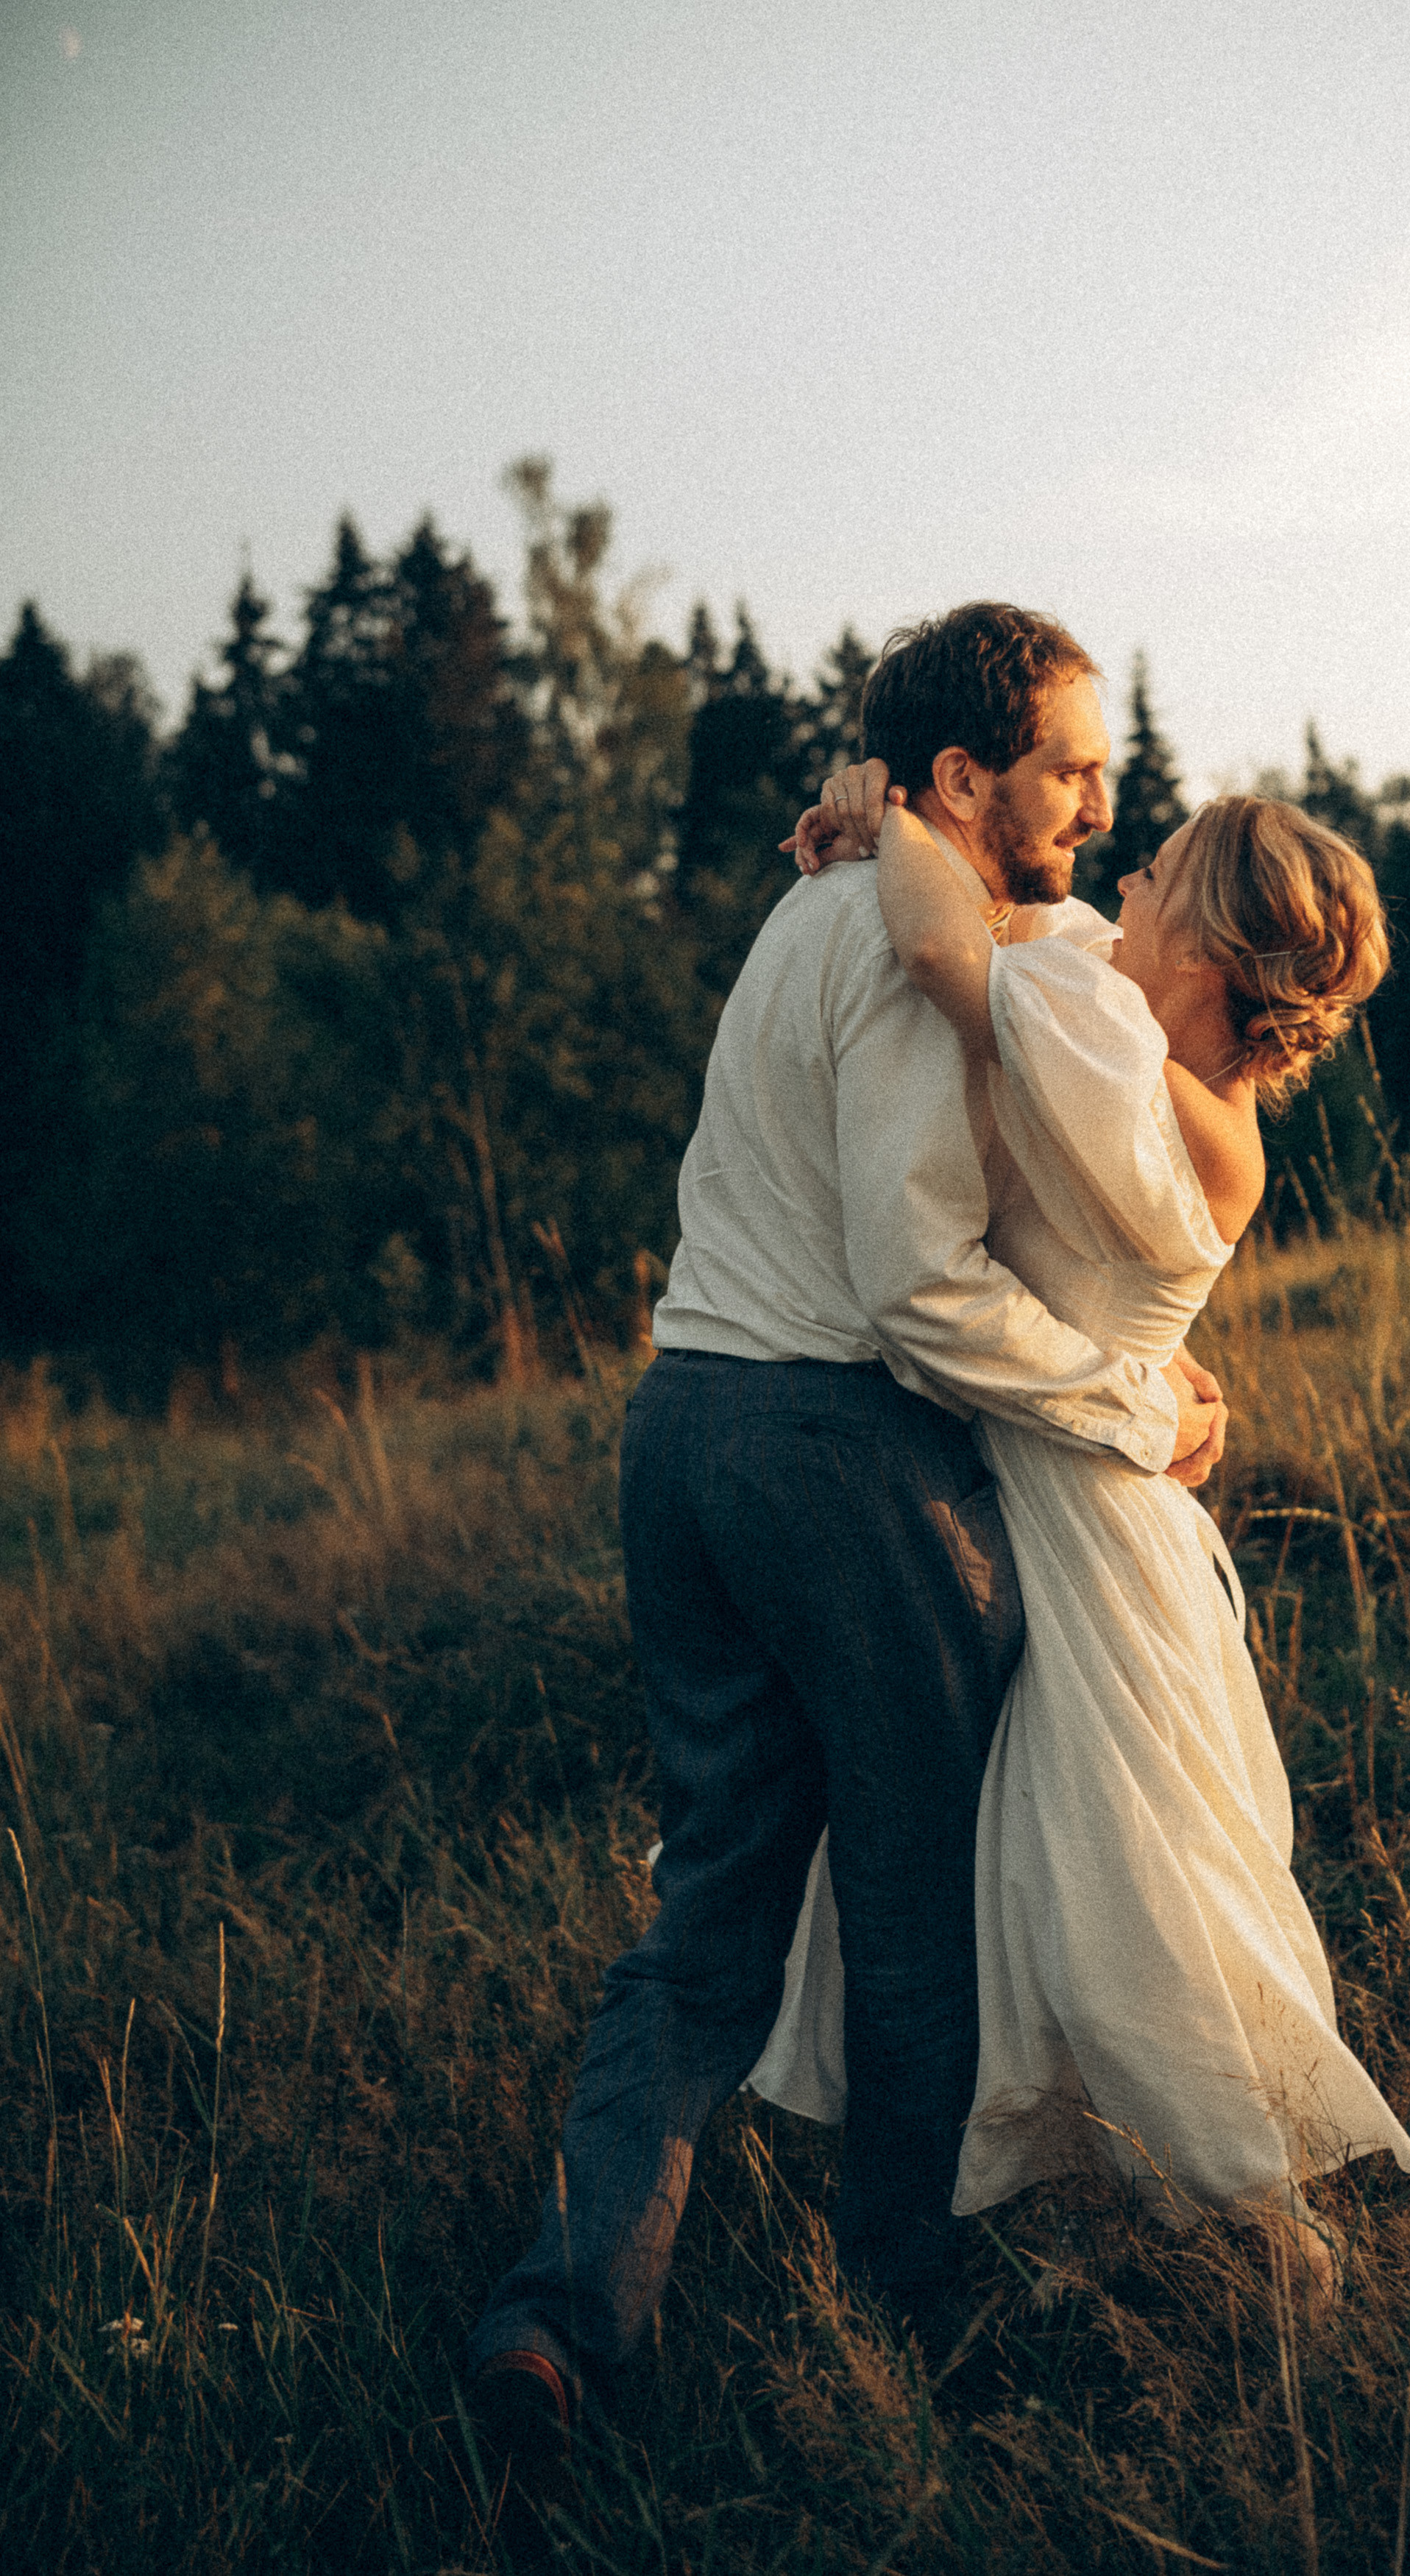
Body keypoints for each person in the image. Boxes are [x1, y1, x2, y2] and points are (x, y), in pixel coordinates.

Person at [464, 604, 1228, 2474]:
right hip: (839, 1452)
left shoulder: (814, 911)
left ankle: (564, 2324)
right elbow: (916, 1294)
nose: (1093, 801)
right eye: (1065, 767)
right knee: (911, 1903)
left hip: (683, 1430)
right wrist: (1142, 1411)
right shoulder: (902, 948)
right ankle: (912, 2304)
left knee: (712, 1910)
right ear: (964, 779)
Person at [750, 775, 1410, 2301]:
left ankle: (1262, 2231)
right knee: (1037, 1880)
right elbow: (1027, 936)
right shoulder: (1134, 1039)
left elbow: (952, 960)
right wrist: (912, 828)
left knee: (1113, 1886)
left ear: (1201, 941)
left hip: (1084, 1525)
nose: (1118, 881)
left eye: (1157, 870)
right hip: (1052, 1487)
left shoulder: (1154, 1080)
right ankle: (1084, 2225)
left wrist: (903, 814)